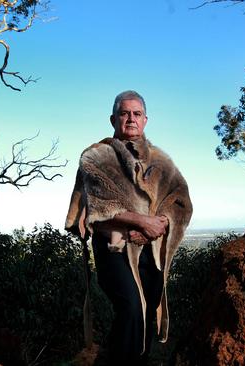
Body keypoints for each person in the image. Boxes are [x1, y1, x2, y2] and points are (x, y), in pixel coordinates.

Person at [65, 90, 193, 364]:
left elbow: (179, 199)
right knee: (132, 308)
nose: (131, 119)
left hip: (152, 249)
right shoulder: (96, 156)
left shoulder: (161, 161)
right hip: (114, 249)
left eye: (136, 114)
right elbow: (100, 206)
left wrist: (161, 222)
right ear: (113, 119)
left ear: (146, 120)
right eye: (124, 113)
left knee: (146, 315)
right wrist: (141, 221)